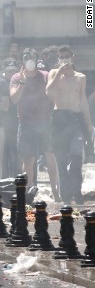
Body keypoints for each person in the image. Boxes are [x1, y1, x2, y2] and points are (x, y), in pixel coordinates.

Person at [9, 48, 59, 198]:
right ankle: (29, 191)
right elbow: (14, 99)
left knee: (50, 155)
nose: (29, 61)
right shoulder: (16, 78)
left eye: (32, 58)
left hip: (45, 122)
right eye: (26, 58)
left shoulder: (45, 75)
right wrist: (23, 82)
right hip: (25, 123)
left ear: (37, 60)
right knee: (28, 159)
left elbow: (53, 95)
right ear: (22, 61)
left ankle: (56, 191)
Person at [46, 46, 92, 204]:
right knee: (61, 159)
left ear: (72, 57)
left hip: (75, 118)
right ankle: (65, 195)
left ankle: (76, 191)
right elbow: (48, 91)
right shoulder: (53, 74)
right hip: (59, 118)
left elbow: (83, 101)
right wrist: (59, 72)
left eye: (66, 56)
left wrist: (89, 123)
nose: (64, 59)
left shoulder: (80, 77)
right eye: (61, 57)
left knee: (76, 156)